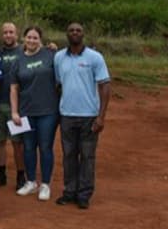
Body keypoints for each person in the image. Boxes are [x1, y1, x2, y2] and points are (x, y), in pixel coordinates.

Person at [54, 22, 111, 209]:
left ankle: (84, 194)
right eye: (71, 30)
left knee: (87, 156)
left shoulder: (95, 58)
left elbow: (104, 86)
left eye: (78, 30)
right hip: (67, 115)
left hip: (89, 116)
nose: (75, 33)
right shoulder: (59, 57)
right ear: (66, 34)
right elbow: (58, 84)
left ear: (83, 34)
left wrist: (101, 116)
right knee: (69, 155)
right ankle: (69, 191)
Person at [10, 26, 58, 201]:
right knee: (28, 147)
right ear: (23, 39)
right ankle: (31, 182)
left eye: (35, 38)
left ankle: (45, 184)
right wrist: (15, 112)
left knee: (45, 147)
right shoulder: (18, 60)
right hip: (26, 111)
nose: (31, 40)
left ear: (40, 40)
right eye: (29, 37)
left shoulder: (50, 55)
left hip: (48, 111)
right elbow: (14, 88)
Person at [0, 22, 26, 189]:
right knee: (0, 141)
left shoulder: (24, 51)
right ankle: (2, 173)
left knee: (17, 143)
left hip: (17, 106)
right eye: (5, 32)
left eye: (11, 32)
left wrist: (51, 47)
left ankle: (21, 175)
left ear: (16, 34)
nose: (8, 35)